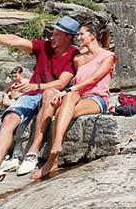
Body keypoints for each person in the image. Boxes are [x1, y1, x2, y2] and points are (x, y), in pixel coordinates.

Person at [0, 15, 80, 186]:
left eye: (57, 34)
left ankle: (32, 152)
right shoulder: (44, 46)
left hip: (50, 95)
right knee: (9, 118)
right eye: (53, 33)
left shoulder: (74, 54)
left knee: (49, 93)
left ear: (68, 37)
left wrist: (37, 86)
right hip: (31, 94)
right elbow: (16, 41)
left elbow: (62, 83)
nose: (52, 37)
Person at [32, 23, 115, 182]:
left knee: (64, 107)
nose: (78, 37)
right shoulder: (79, 59)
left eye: (82, 34)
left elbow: (94, 79)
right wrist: (65, 92)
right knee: (64, 102)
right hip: (78, 96)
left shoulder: (108, 56)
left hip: (97, 99)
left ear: (93, 36)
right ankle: (53, 152)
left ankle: (52, 156)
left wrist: (69, 90)